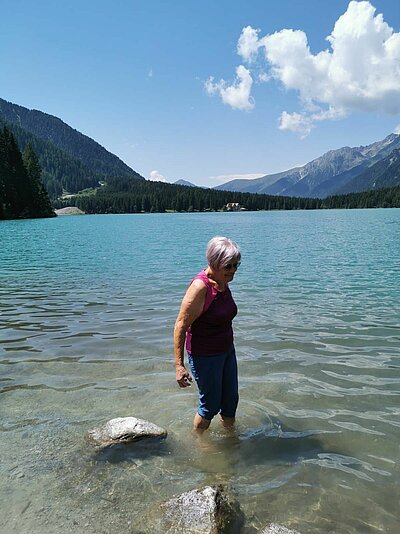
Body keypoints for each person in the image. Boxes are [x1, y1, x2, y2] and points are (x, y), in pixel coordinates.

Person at [174, 236, 241, 431]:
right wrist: (179, 365)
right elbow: (180, 325)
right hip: (205, 355)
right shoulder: (200, 287)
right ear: (214, 263)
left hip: (227, 351)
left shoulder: (222, 281)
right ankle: (200, 445)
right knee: (209, 406)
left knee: (230, 402)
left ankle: (231, 440)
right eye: (228, 266)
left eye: (236, 265)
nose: (233, 270)